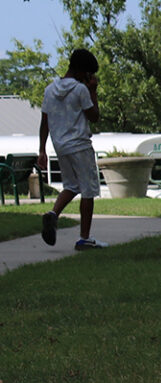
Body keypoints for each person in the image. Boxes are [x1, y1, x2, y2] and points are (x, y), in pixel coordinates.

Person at [38, 49, 107, 250]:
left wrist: (42, 149)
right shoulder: (80, 90)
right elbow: (94, 116)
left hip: (60, 145)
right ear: (81, 71)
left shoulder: (50, 89)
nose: (90, 78)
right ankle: (84, 238)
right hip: (80, 144)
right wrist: (93, 91)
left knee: (71, 185)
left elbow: (44, 122)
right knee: (88, 190)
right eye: (88, 74)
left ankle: (52, 215)